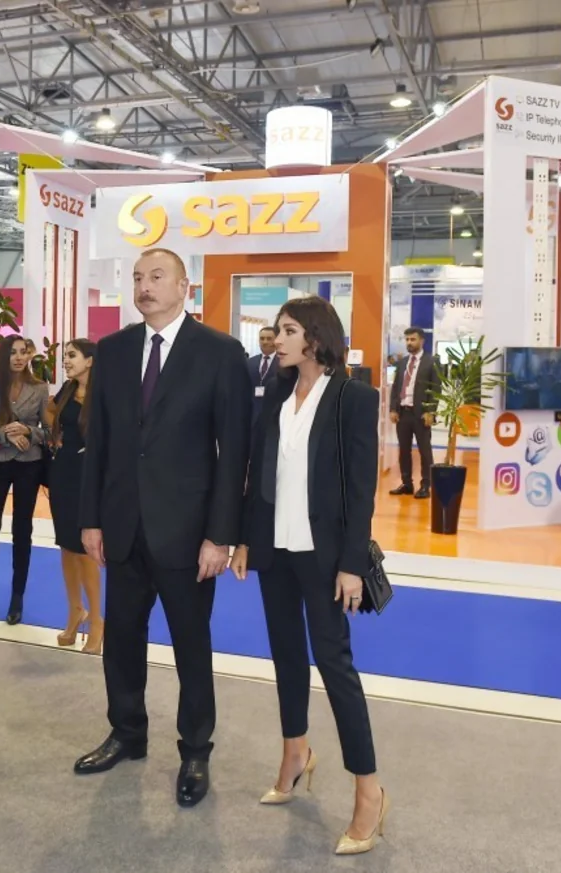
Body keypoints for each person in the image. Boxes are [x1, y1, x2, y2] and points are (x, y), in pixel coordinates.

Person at [75, 248, 250, 808]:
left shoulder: (220, 353)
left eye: (157, 277)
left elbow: (233, 454)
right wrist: (91, 519)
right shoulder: (114, 350)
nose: (144, 286)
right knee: (121, 639)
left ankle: (195, 750)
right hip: (123, 527)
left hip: (189, 534)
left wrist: (220, 535)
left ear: (184, 288)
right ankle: (127, 732)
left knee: (191, 646)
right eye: (137, 278)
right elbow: (98, 440)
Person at [230, 294, 388, 856]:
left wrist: (350, 564)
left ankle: (369, 790)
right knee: (286, 657)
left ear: (316, 339)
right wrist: (246, 538)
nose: (277, 339)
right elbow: (259, 473)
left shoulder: (353, 397)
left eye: (289, 330)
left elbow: (361, 490)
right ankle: (296, 752)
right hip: (275, 549)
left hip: (325, 557)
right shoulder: (276, 391)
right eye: (278, 330)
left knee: (334, 665)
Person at [0, 335, 48, 628]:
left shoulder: (39, 387)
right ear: (3, 356)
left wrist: (28, 432)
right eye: (13, 352)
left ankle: (17, 599)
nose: (19, 357)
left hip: (29, 465)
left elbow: (50, 432)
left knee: (22, 532)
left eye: (23, 352)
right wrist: (6, 434)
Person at [42, 339, 102, 654]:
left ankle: (98, 621)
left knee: (85, 548)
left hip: (90, 477)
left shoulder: (104, 392)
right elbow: (49, 412)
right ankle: (75, 611)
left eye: (72, 355)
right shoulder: (66, 390)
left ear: (90, 361)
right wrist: (57, 437)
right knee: (66, 546)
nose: (65, 360)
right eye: (65, 355)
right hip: (63, 473)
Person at [388, 326, 439, 499]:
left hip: (421, 414)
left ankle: (425, 485)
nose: (409, 342)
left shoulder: (431, 362)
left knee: (425, 451)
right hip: (403, 413)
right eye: (407, 340)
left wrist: (430, 411)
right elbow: (396, 387)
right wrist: (393, 408)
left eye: (413, 339)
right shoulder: (402, 363)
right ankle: (407, 483)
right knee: (404, 450)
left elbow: (436, 389)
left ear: (421, 341)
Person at [249, 326, 280, 424]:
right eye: (262, 339)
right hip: (252, 414)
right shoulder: (250, 362)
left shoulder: (283, 363)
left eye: (269, 339)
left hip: (273, 414)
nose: (265, 342)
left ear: (276, 340)